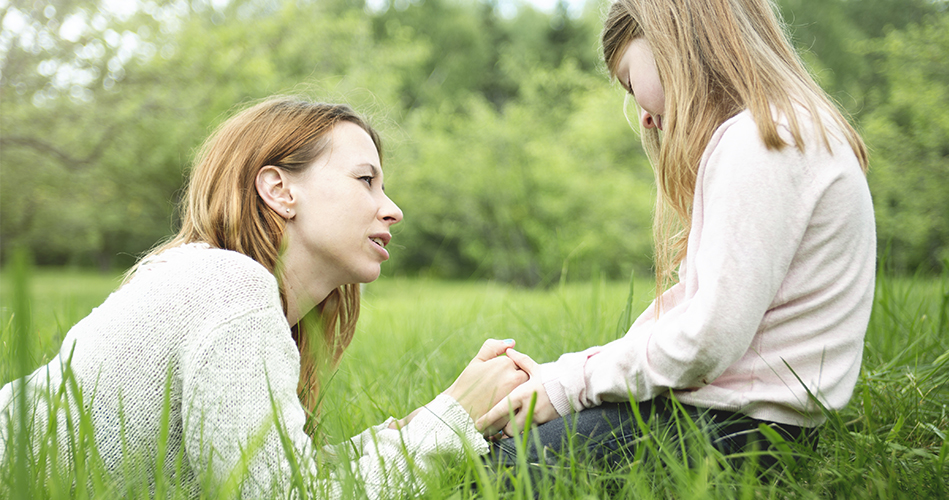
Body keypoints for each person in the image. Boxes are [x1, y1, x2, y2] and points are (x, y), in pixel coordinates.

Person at [0, 97, 528, 497]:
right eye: (365, 180)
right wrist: (449, 418)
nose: (393, 209)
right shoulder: (228, 286)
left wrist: (425, 422)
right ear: (279, 189)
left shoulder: (216, 280)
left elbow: (286, 474)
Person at [480, 0, 876, 470]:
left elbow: (704, 341)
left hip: (735, 428)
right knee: (504, 447)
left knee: (502, 464)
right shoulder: (778, 131)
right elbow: (694, 314)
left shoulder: (760, 143)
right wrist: (565, 377)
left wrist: (573, 386)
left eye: (631, 82)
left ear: (673, 37)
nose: (643, 117)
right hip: (746, 420)